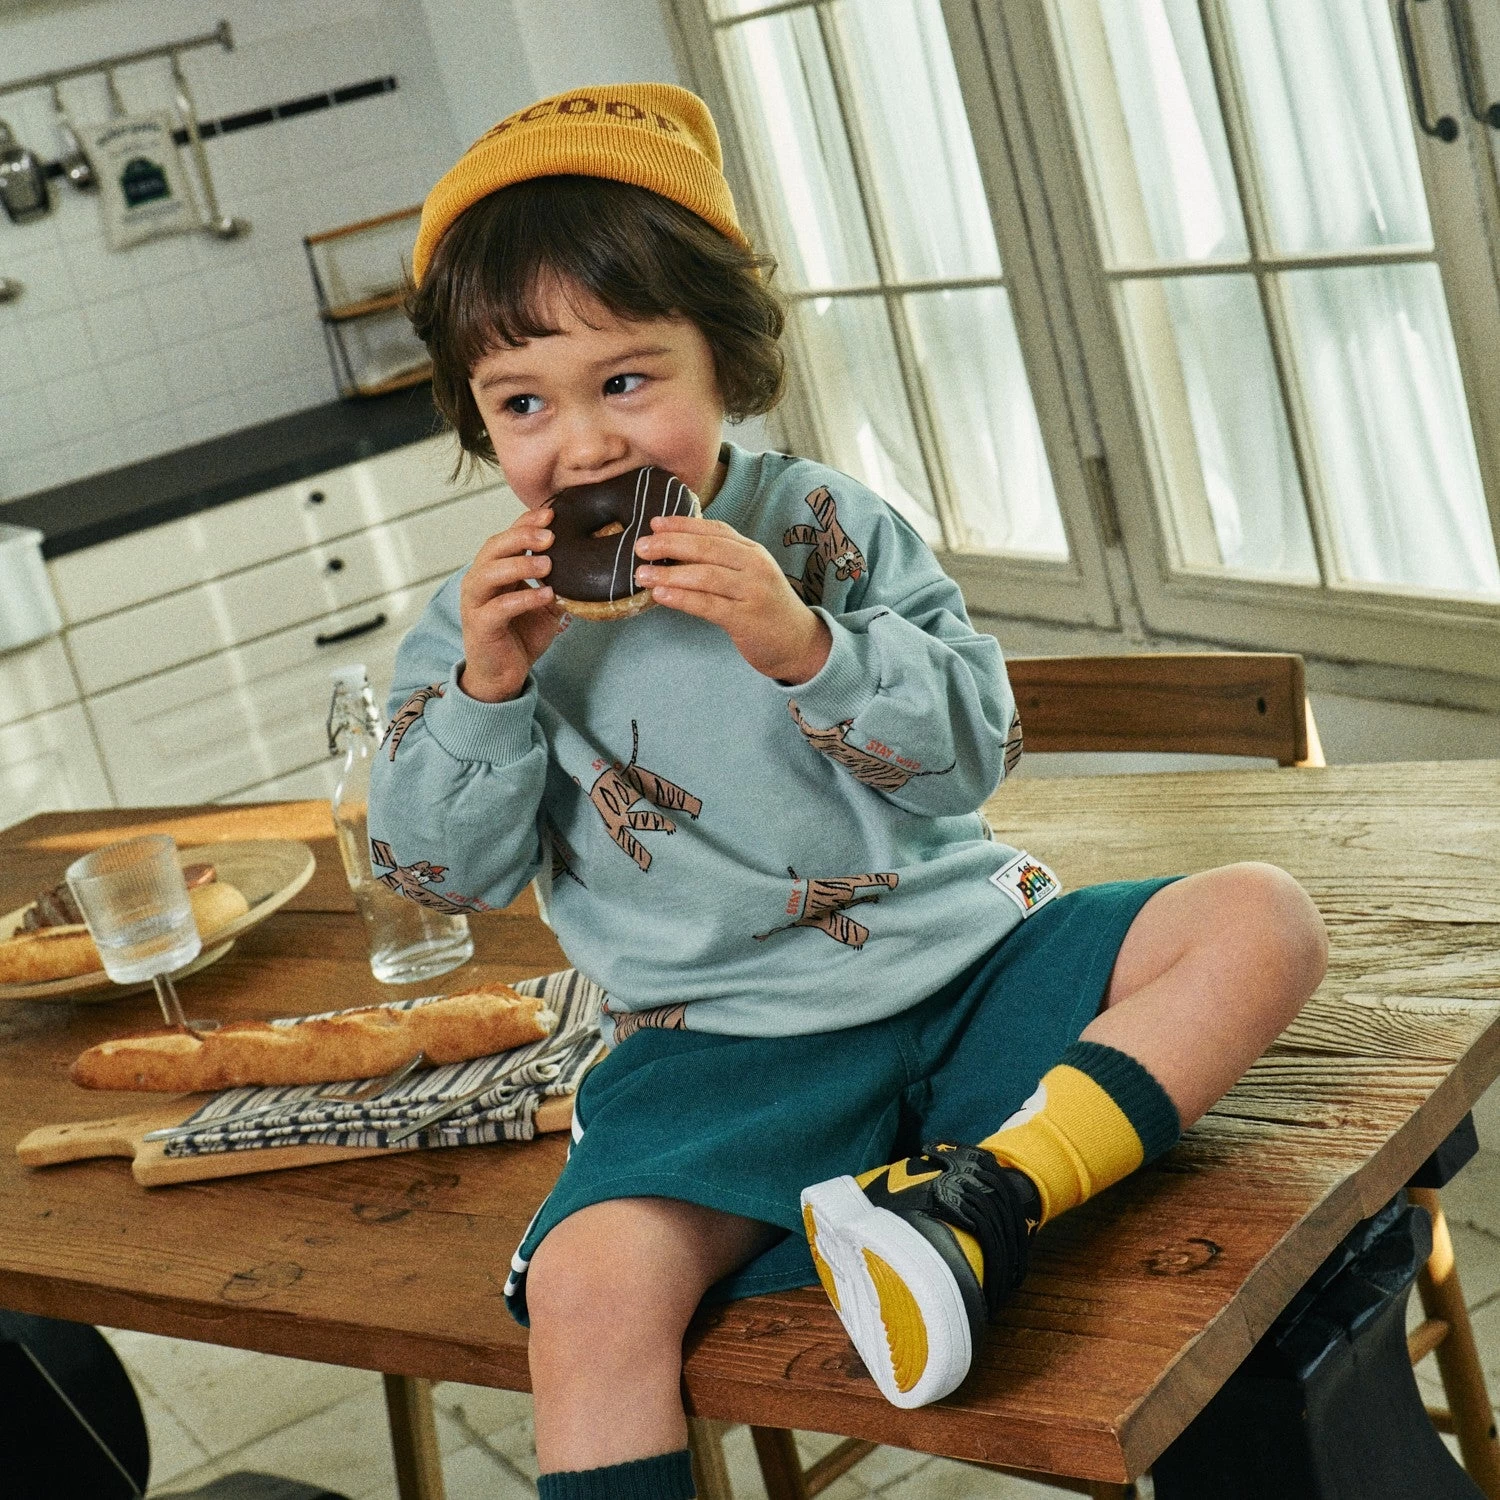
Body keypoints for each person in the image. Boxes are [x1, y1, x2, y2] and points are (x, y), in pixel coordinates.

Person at [370, 82, 1328, 1500]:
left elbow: (975, 752)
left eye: (627, 381)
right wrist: (487, 689)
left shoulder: (828, 527)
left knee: (1262, 918)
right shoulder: (479, 629)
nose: (583, 447)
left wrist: (806, 644)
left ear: (724, 358)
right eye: (524, 403)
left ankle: (983, 1200)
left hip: (968, 971)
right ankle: (947, 1194)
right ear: (480, 418)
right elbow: (432, 876)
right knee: (589, 1290)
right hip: (722, 1052)